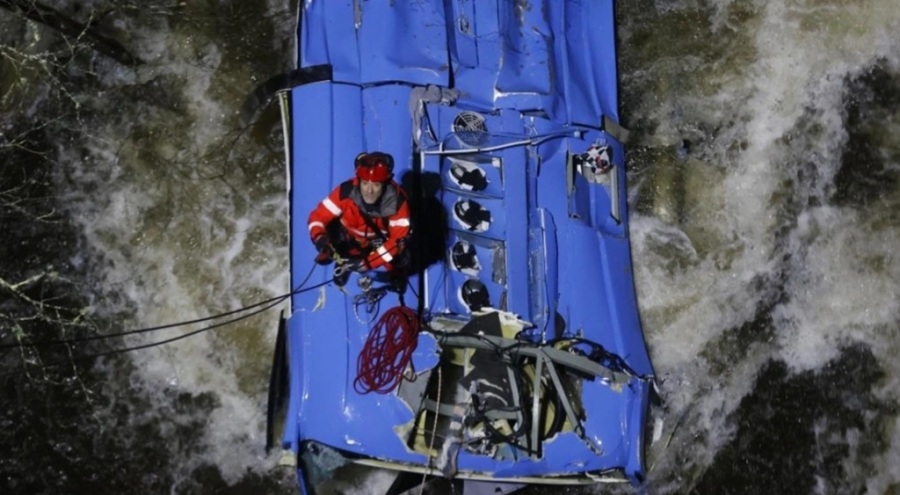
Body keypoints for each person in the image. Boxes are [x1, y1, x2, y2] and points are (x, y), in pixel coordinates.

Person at [307, 151, 411, 287]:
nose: (369, 190)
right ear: (358, 181)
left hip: (379, 240)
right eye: (365, 183)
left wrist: (368, 263)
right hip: (350, 236)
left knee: (400, 255)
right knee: (339, 244)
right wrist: (319, 237)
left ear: (385, 184)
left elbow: (396, 241)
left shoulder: (398, 203)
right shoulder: (344, 192)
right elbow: (318, 216)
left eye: (376, 185)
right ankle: (343, 264)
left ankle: (395, 273)